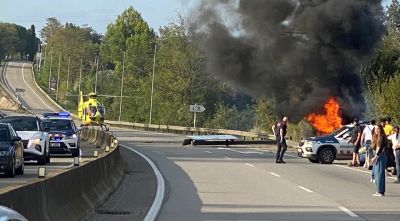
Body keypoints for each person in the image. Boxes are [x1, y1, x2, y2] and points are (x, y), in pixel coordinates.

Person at [371, 124, 388, 196]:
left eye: (378, 129)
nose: (376, 130)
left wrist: (375, 157)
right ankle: (380, 191)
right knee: (377, 174)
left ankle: (379, 191)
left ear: (381, 129)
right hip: (378, 156)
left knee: (379, 175)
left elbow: (380, 148)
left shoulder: (382, 136)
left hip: (380, 157)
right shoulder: (376, 136)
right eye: (375, 129)